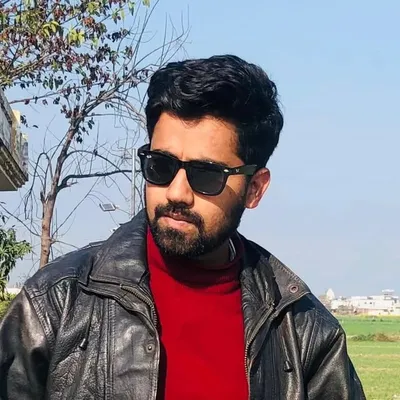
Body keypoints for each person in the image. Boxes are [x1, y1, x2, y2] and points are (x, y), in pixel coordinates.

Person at [0, 55, 365, 400]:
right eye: (160, 166)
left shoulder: (303, 332)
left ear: (255, 188)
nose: (176, 192)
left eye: (206, 175)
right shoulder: (54, 304)